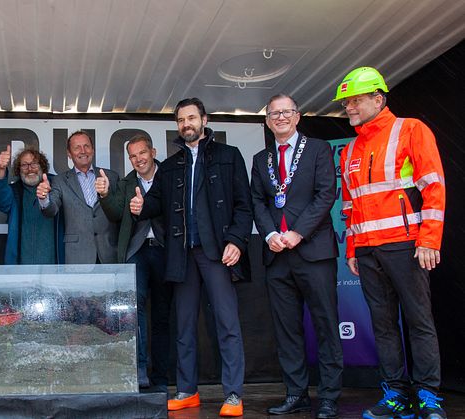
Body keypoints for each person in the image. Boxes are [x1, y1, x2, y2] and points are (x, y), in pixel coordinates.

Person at [334, 67, 447, 419]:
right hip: (367, 251)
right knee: (382, 326)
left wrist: (429, 239)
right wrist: (352, 250)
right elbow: (349, 207)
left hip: (407, 244)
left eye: (354, 101)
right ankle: (395, 394)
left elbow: (434, 187)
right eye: (346, 103)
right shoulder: (349, 149)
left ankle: (429, 397)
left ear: (377, 98)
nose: (348, 108)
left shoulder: (411, 129)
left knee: (419, 321)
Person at [130, 97, 252, 417]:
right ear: (177, 125)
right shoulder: (170, 166)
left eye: (191, 118)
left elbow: (244, 205)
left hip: (217, 254)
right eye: (181, 120)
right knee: (183, 326)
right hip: (182, 257)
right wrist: (140, 206)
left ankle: (234, 395)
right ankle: (187, 390)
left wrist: (237, 240)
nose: (186, 124)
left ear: (204, 119)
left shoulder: (229, 156)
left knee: (227, 324)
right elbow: (154, 202)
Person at [251, 94, 343, 419]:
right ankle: (296, 393)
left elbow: (325, 194)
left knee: (326, 325)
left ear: (297, 116)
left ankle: (330, 396)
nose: (280, 118)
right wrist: (270, 235)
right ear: (266, 121)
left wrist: (297, 232)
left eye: (286, 112)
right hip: (277, 256)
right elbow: (258, 203)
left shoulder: (318, 149)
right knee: (287, 330)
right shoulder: (260, 159)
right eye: (274, 114)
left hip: (313, 251)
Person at [96, 134, 172, 391]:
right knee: (134, 312)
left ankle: (161, 377)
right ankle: (140, 369)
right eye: (133, 155)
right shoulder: (127, 182)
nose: (138, 159)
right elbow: (116, 213)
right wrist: (106, 195)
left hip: (165, 251)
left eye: (142, 153)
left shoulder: (170, 174)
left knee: (162, 316)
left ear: (153, 151)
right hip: (136, 252)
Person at [36, 130, 120, 264]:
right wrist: (43, 198)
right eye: (77, 148)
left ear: (92, 149)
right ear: (69, 154)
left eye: (86, 146)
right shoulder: (60, 181)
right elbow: (51, 210)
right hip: (77, 256)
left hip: (110, 253)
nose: (83, 151)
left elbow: (118, 212)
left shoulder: (112, 177)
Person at [0, 145, 63, 264]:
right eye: (24, 165)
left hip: (54, 269)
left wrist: (46, 196)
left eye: (34, 164)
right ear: (18, 170)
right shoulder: (15, 192)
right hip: (21, 269)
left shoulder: (57, 187)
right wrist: (1, 169)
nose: (30, 169)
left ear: (42, 167)